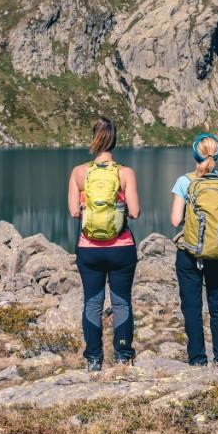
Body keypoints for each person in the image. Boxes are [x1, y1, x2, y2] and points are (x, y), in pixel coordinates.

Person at [68, 116, 141, 371]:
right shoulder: (125, 173)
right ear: (114, 141)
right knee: (121, 302)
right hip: (121, 248)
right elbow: (135, 212)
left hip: (89, 250)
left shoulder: (79, 173)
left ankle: (94, 359)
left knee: (93, 302)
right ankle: (122, 355)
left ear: (94, 139)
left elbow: (74, 212)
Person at [170, 134, 218, 367]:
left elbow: (175, 220)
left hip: (190, 252)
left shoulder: (185, 181)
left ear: (195, 154)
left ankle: (198, 360)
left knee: (192, 307)